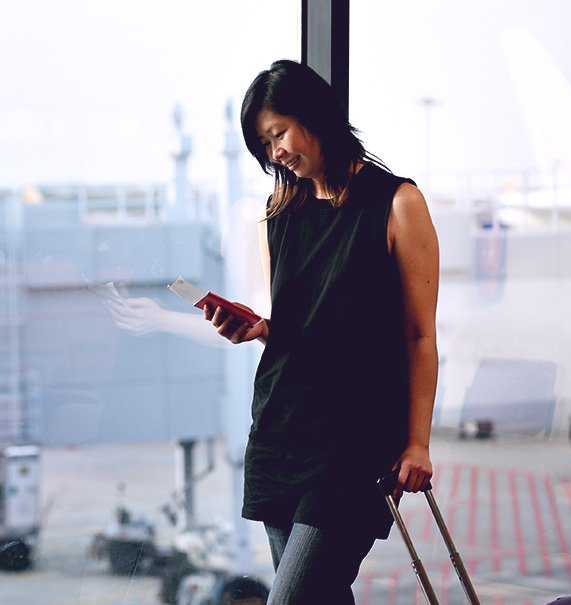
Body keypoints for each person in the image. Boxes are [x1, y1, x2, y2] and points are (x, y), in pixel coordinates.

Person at [206, 59, 439, 604]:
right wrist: (260, 329)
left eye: (278, 133)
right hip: (281, 429)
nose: (275, 153)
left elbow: (419, 337)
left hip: (355, 444)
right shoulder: (279, 210)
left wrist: (418, 441)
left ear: (316, 116)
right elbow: (301, 327)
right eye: (264, 145)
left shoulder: (397, 204)